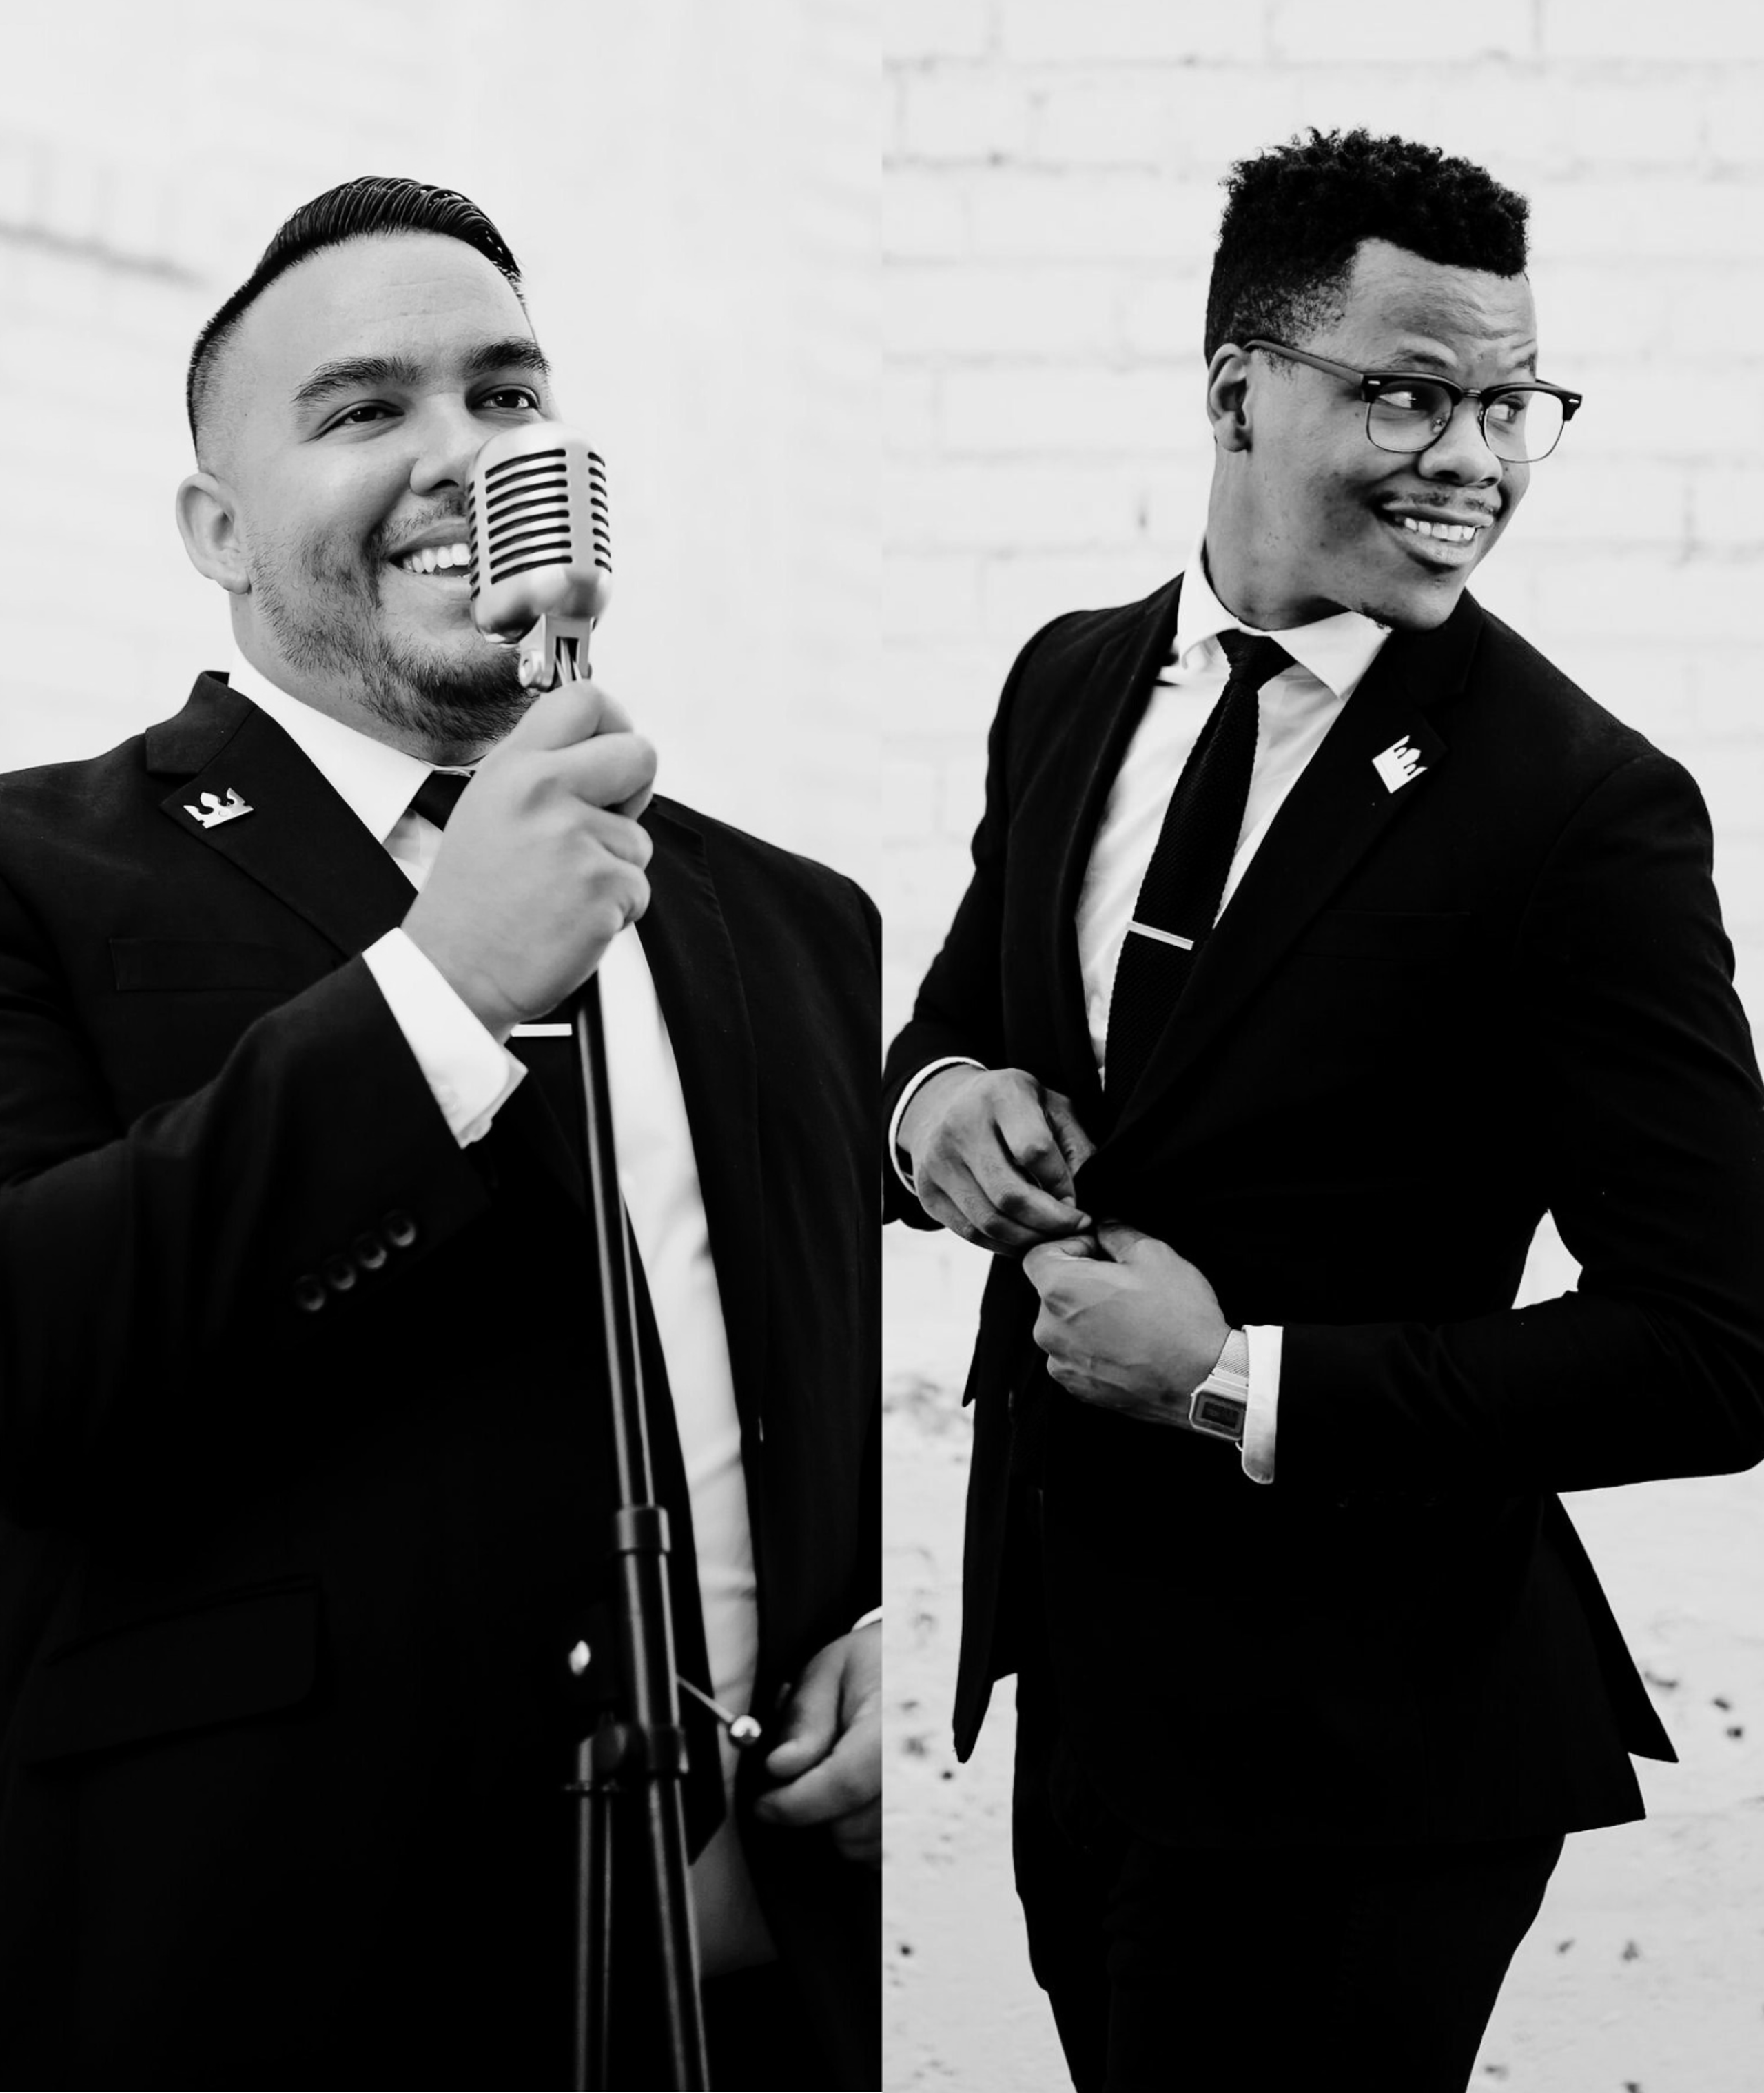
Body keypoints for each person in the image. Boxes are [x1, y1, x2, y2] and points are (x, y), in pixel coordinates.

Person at [883, 127, 1764, 2093]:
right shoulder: (1070, 683)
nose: (1477, 457)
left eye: (1513, 401)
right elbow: (951, 1024)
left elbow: (1720, 1353)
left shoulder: (1583, 812)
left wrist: (1235, 1383)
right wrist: (934, 1108)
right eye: (1411, 392)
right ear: (1236, 388)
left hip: (1375, 1756)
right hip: (1084, 1703)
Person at [0, 178, 879, 2091]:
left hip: (763, 2001)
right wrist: (441, 994)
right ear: (214, 534)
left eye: (504, 396)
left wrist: (894, 1625)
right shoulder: (34, 874)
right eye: (364, 410)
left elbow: (847, 1389)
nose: (459, 456)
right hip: (271, 1990)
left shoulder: (803, 929)